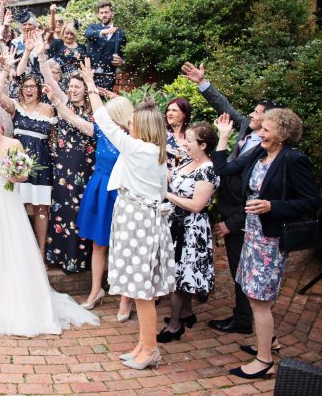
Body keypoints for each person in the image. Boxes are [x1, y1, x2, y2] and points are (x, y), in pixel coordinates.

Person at [78, 57, 174, 371]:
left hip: (139, 224)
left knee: (141, 293)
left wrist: (91, 86)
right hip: (143, 221)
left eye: (133, 121)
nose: (128, 124)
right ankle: (143, 344)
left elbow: (103, 120)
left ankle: (151, 351)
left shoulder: (138, 149)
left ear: (142, 127)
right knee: (139, 289)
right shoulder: (156, 153)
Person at [0, 106, 99, 336]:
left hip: (8, 201)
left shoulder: (14, 144)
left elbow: (23, 176)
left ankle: (13, 299)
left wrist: (15, 174)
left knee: (10, 249)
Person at [214, 110, 320, 379]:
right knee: (250, 290)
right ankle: (269, 341)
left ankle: (264, 361)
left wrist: (273, 205)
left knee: (258, 299)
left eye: (267, 129)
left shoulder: (293, 159)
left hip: (270, 239)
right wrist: (223, 138)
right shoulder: (259, 154)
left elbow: (311, 202)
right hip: (251, 234)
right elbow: (224, 170)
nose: (261, 132)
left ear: (283, 135)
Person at [181, 61, 280, 335]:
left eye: (258, 112)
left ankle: (244, 319)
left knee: (242, 268)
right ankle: (245, 315)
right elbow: (225, 108)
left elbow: (256, 192)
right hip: (228, 206)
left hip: (243, 214)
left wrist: (232, 223)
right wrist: (203, 83)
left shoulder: (266, 148)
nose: (251, 114)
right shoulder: (248, 126)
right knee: (239, 266)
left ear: (270, 120)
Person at [66, 95, 135, 321]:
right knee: (98, 243)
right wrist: (56, 99)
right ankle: (96, 290)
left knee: (123, 245)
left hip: (123, 190)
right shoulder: (102, 133)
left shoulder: (134, 139)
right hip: (100, 187)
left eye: (113, 117)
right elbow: (72, 118)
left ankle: (125, 299)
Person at [37, 40, 95, 274]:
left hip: (86, 165)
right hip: (63, 164)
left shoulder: (93, 109)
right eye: (70, 86)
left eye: (76, 86)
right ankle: (61, 257)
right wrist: (41, 55)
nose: (72, 90)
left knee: (81, 209)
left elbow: (89, 130)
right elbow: (49, 80)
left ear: (85, 89)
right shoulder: (64, 101)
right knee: (62, 208)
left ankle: (81, 260)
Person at [159, 124, 219, 343]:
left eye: (190, 141)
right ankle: (186, 313)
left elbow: (196, 205)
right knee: (181, 271)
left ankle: (175, 326)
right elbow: (172, 177)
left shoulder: (207, 170)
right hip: (175, 225)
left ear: (203, 145)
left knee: (180, 276)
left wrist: (167, 194)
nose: (185, 143)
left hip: (192, 229)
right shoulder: (187, 161)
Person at [0, 74, 55, 260]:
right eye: (25, 86)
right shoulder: (15, 107)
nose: (29, 90)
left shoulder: (49, 110)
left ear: (39, 89)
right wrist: (5, 68)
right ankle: (18, 253)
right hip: (17, 164)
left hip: (42, 164)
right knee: (18, 206)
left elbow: (52, 139)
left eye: (33, 86)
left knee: (41, 209)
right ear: (21, 89)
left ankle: (41, 254)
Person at [84, 0, 125, 90]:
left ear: (112, 13)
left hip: (109, 75)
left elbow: (124, 53)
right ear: (99, 15)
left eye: (106, 12)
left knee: (106, 102)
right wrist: (103, 32)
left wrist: (122, 61)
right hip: (92, 75)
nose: (104, 15)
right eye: (101, 13)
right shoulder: (92, 28)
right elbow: (88, 34)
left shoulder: (120, 33)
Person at [165, 97, 191, 168]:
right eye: (168, 110)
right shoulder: (162, 135)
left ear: (184, 114)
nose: (170, 113)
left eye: (174, 110)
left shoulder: (193, 134)